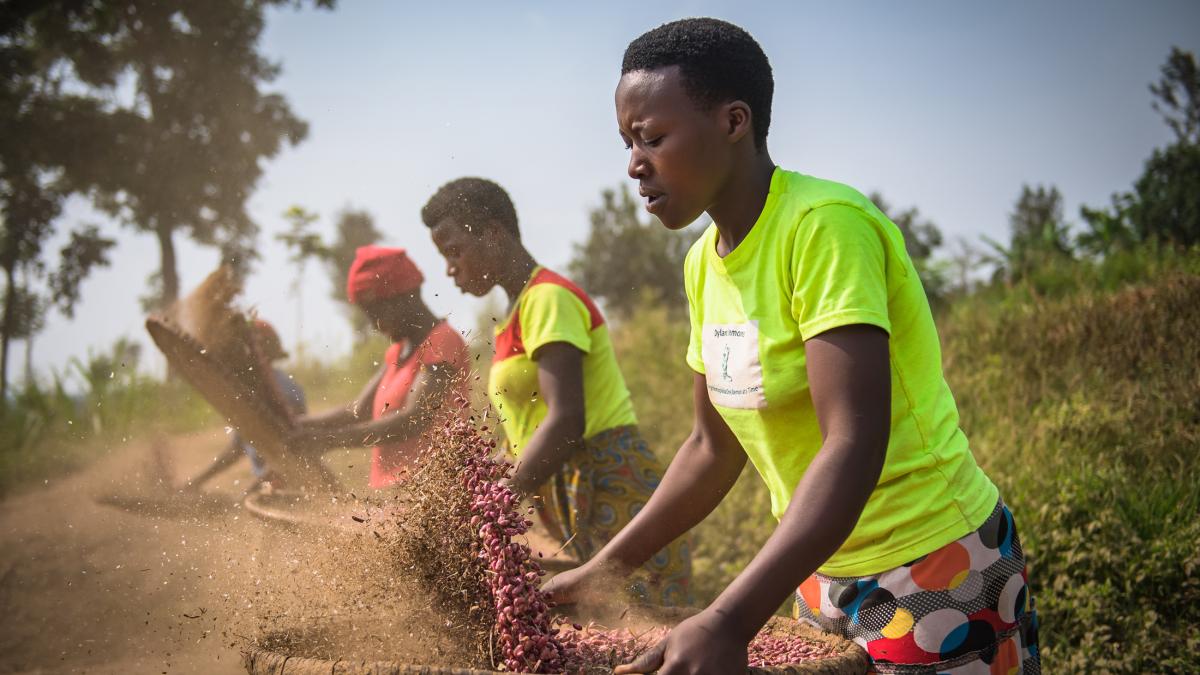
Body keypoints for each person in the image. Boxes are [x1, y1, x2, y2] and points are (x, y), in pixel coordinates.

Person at [544, 18, 1040, 675]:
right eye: (627, 142)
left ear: (733, 121)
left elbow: (851, 440)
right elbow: (710, 446)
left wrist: (727, 617)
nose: (635, 164)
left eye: (653, 137)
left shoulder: (823, 228)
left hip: (933, 564)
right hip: (818, 570)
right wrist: (605, 569)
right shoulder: (701, 264)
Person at [422, 177, 692, 606]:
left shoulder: (549, 298)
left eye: (455, 252)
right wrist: (469, 494)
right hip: (569, 489)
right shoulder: (518, 312)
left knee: (648, 624)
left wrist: (497, 507)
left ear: (493, 233)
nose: (450, 269)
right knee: (613, 628)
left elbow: (566, 420)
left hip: (608, 483)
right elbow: (525, 435)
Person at [289, 245, 469, 489]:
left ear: (405, 297)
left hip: (432, 497)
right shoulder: (398, 353)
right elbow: (358, 411)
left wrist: (329, 440)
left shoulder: (442, 342)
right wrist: (299, 424)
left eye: (375, 312)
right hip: (397, 499)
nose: (374, 324)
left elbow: (415, 419)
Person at [184, 319, 306, 492]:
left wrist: (249, 493)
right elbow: (237, 448)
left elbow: (294, 451)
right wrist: (197, 481)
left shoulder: (286, 391)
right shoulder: (248, 396)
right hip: (265, 486)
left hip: (292, 489)